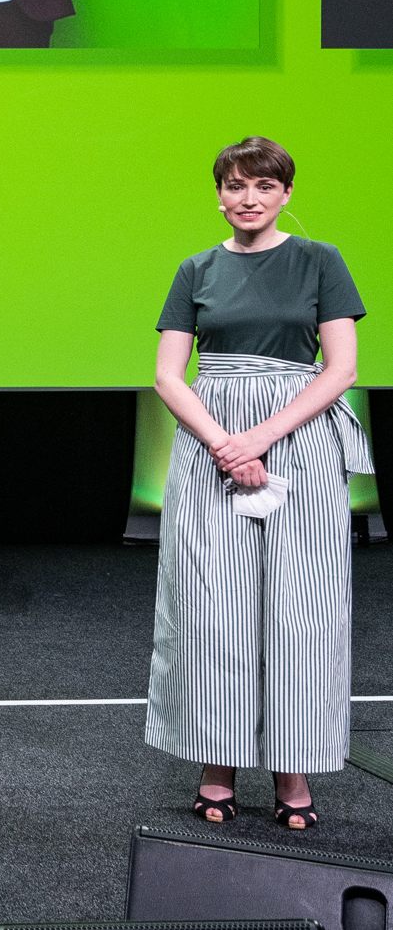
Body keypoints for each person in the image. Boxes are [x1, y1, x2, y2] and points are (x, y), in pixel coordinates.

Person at [146, 136, 372, 831]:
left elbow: (339, 368)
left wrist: (259, 437)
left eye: (262, 187)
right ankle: (214, 766)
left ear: (284, 194)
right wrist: (222, 441)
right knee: (211, 609)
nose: (248, 198)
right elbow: (166, 374)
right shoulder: (195, 268)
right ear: (217, 192)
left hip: (296, 439)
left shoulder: (318, 259)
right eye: (235, 186)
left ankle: (292, 770)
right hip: (210, 442)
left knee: (300, 611)